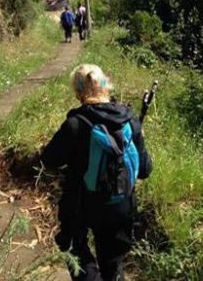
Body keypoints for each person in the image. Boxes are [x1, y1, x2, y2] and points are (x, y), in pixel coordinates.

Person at [42, 64, 152, 281]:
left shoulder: (75, 124)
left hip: (80, 203)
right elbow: (145, 171)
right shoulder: (130, 121)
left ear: (79, 91)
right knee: (113, 262)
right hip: (120, 205)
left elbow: (49, 159)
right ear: (106, 86)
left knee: (74, 249)